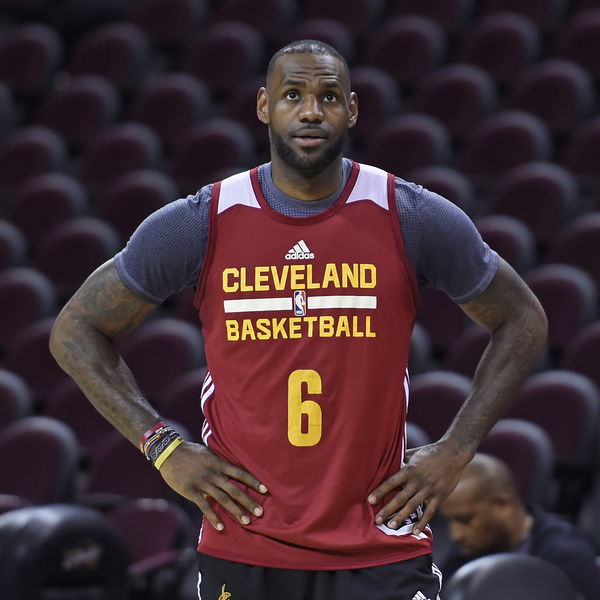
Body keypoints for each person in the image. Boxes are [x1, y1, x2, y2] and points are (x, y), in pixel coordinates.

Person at [49, 40, 548, 600]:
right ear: (265, 106)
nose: (311, 110)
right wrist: (164, 446)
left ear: (352, 110)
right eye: (293, 95)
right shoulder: (202, 222)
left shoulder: (408, 214)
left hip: (378, 545)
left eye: (328, 96)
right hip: (245, 544)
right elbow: (75, 331)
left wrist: (456, 449)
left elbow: (523, 320)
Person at [439, 453, 600, 600]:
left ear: (502, 505)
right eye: (450, 520)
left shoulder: (566, 556)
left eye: (465, 520)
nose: (456, 534)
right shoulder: (470, 547)